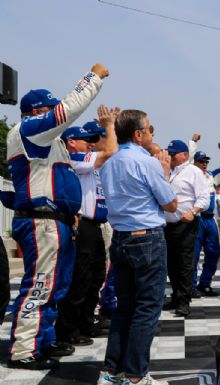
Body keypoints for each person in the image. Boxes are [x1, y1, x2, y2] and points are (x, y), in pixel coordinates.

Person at [2, 64, 108, 370]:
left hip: (55, 222)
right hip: (42, 221)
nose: (53, 115)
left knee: (55, 286)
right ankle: (24, 349)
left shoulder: (47, 141)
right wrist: (93, 78)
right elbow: (66, 112)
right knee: (40, 285)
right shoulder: (28, 130)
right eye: (47, 110)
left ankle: (42, 340)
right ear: (36, 112)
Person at [99, 109, 177, 385]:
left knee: (125, 307)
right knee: (147, 308)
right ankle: (135, 376)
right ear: (138, 134)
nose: (152, 134)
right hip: (146, 238)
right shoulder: (147, 163)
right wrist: (165, 172)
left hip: (120, 237)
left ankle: (110, 373)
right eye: (150, 130)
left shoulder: (109, 163)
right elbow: (170, 204)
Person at [55, 107, 118, 349]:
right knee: (80, 279)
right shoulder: (74, 159)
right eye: (87, 140)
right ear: (71, 142)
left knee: (95, 278)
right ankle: (68, 329)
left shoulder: (90, 161)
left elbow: (110, 150)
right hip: (82, 226)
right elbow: (109, 150)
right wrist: (110, 126)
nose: (92, 145)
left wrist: (108, 129)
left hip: (96, 226)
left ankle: (85, 321)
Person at [163, 140, 209, 317]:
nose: (171, 157)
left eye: (173, 154)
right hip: (167, 224)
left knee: (185, 263)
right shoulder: (167, 170)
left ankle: (184, 301)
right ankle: (175, 295)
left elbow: (204, 198)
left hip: (186, 224)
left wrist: (193, 211)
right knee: (171, 263)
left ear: (184, 155)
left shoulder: (194, 172)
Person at [192, 143, 220, 297]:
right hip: (196, 219)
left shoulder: (211, 177)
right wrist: (193, 143)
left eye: (206, 161)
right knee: (193, 255)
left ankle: (205, 284)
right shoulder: (189, 174)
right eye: (201, 161)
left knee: (214, 253)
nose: (205, 164)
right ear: (194, 163)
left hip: (210, 219)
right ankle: (191, 286)